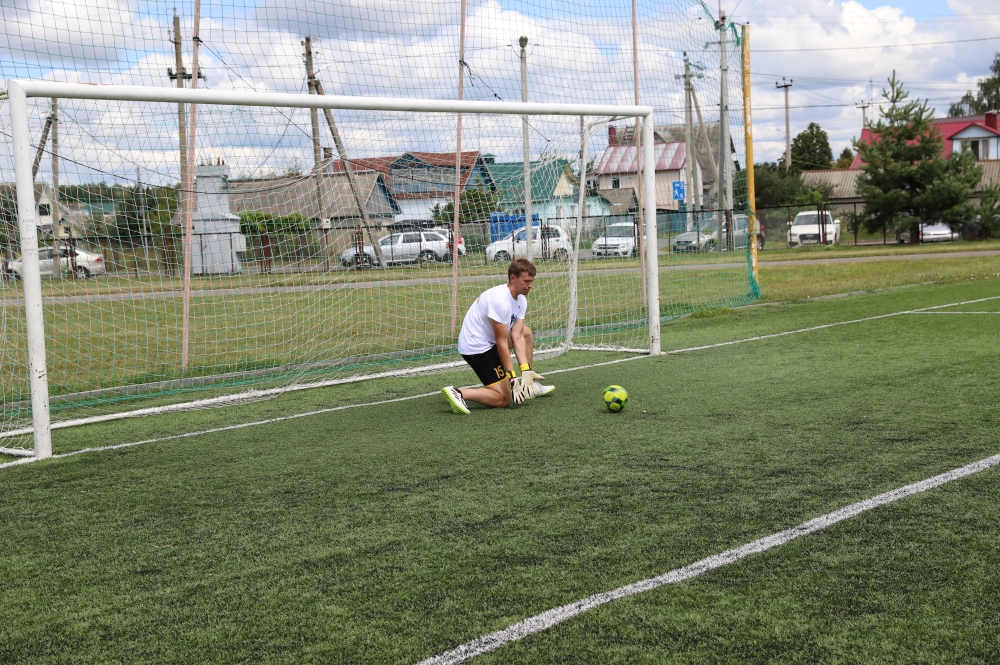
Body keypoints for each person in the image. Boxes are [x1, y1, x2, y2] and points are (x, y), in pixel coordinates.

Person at [442, 258, 554, 414]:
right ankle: (459, 392)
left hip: (489, 342)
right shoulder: (500, 301)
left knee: (526, 332)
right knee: (504, 399)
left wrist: (525, 370)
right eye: (526, 281)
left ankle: (529, 386)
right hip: (476, 348)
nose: (530, 285)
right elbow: (501, 342)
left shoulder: (521, 299)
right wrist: (512, 378)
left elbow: (517, 335)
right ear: (513, 278)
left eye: (532, 281)